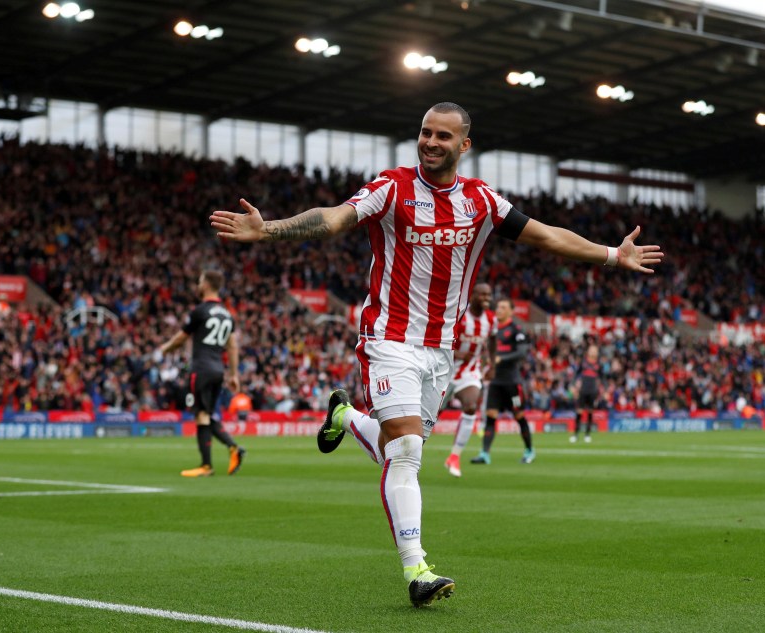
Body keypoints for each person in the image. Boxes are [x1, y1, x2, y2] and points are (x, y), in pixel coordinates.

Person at [209, 102, 663, 607]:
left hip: (440, 351)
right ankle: (417, 569)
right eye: (425, 132)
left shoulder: (482, 201)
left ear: (463, 145)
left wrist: (610, 255)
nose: (430, 142)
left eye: (443, 136)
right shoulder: (392, 186)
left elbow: (545, 235)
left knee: (397, 449)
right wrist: (268, 229)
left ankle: (344, 415)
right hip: (388, 338)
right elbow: (335, 220)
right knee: (405, 451)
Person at [157, 270, 246, 478]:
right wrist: (234, 374)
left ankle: (209, 464)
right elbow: (232, 347)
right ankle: (231, 450)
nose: (198, 285)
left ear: (206, 284)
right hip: (218, 370)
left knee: (201, 415)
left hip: (202, 368)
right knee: (206, 414)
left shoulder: (200, 311)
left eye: (199, 281)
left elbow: (181, 338)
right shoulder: (226, 314)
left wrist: (165, 348)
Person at [471, 297, 535, 465]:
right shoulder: (492, 330)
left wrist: (501, 359)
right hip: (496, 382)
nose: (499, 310)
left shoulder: (517, 330)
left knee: (519, 416)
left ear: (511, 311)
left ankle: (529, 450)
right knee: (490, 416)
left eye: (503, 307)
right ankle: (485, 454)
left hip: (513, 383)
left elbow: (521, 353)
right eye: (498, 307)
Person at [442, 282, 494, 477]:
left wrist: (491, 365)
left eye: (488, 295)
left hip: (469, 372)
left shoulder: (490, 319)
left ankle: (454, 456)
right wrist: (454, 352)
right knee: (429, 415)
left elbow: (492, 340)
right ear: (472, 297)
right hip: (444, 370)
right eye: (482, 294)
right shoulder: (460, 315)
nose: (486, 298)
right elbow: (441, 336)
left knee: (471, 406)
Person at [571, 342, 602, 444]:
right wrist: (573, 385)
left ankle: (587, 434)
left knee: (590, 412)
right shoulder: (583, 362)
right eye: (591, 349)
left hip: (592, 391)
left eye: (594, 350)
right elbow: (576, 374)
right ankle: (575, 434)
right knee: (579, 412)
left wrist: (604, 389)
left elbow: (603, 378)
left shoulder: (598, 364)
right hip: (583, 390)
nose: (593, 351)